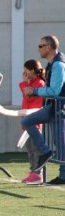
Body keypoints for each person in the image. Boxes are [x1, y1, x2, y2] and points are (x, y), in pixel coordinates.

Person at [22, 35, 65, 185]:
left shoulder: (59, 65)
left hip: (60, 108)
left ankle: (63, 176)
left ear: (49, 47)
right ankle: (45, 151)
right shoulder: (52, 64)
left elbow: (54, 90)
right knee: (27, 121)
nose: (38, 49)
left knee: (61, 143)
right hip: (53, 107)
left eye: (41, 46)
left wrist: (34, 91)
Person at [20, 59, 46, 184]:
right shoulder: (32, 83)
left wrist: (25, 84)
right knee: (30, 148)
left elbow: (28, 97)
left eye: (26, 70)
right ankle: (33, 171)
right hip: (27, 119)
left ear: (32, 70)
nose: (24, 72)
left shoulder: (39, 83)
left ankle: (37, 173)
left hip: (34, 119)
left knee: (35, 148)